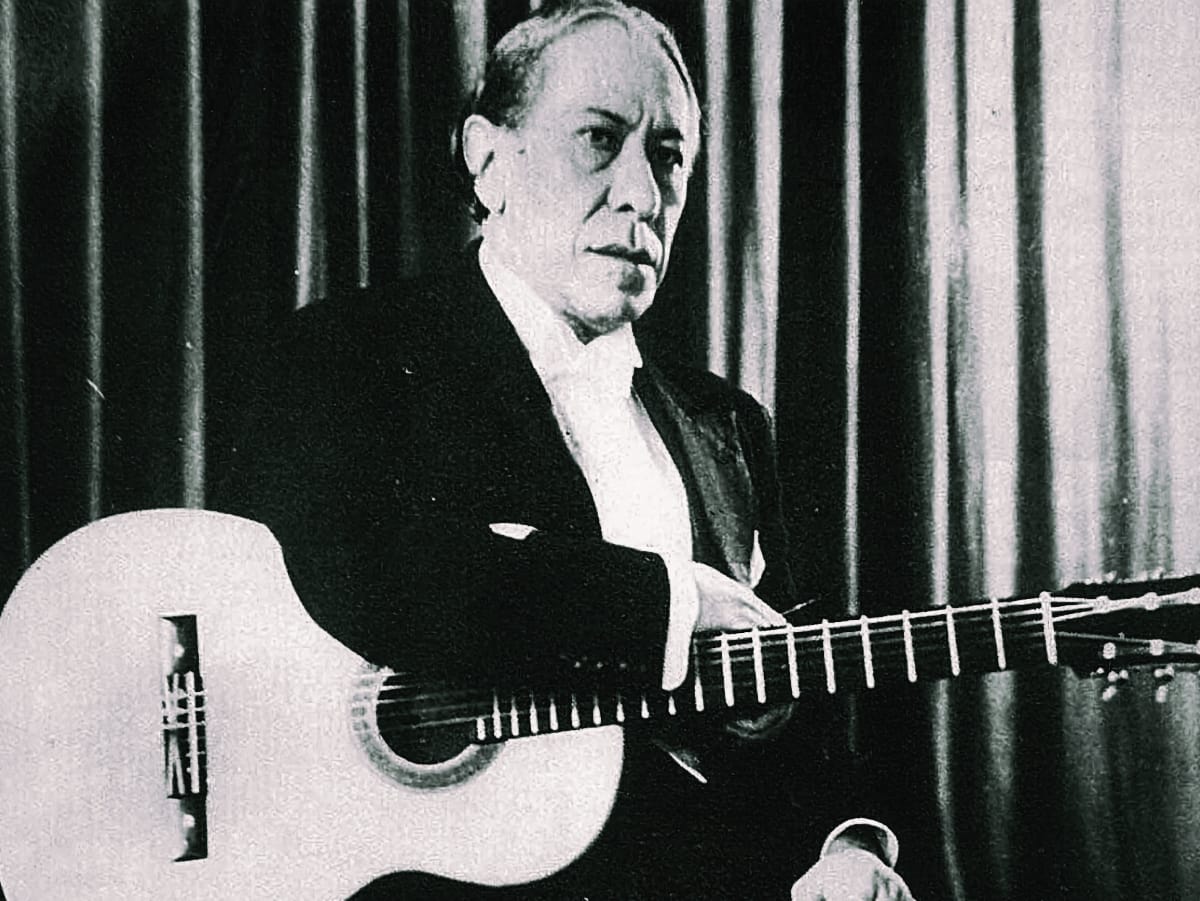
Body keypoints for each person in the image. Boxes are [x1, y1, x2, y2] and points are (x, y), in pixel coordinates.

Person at [214, 2, 912, 898]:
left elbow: (795, 709)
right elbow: (339, 572)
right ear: (489, 160)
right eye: (598, 139)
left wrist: (846, 844)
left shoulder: (729, 426)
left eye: (669, 158)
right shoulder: (353, 355)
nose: (643, 195)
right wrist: (667, 603)